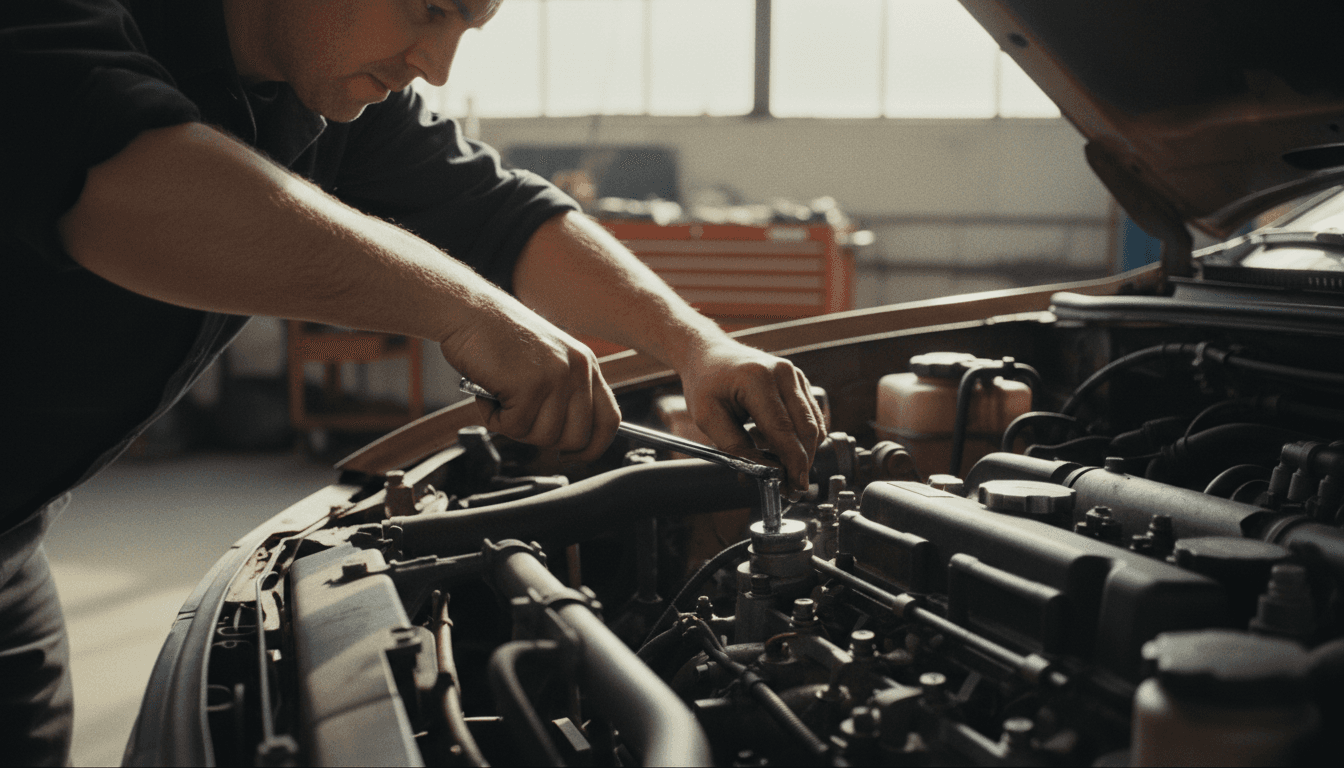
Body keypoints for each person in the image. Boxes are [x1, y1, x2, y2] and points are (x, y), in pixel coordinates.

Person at [0, 0, 824, 762]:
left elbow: (498, 210)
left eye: (470, 23)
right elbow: (111, 170)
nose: (438, 65)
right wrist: (470, 312)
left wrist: (695, 344)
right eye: (429, 8)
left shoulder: (320, 95)